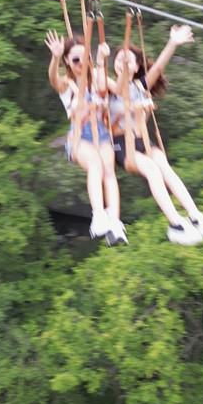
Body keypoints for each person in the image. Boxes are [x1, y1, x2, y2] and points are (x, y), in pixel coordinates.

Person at [105, 24, 203, 245]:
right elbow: (117, 98)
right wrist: (136, 107)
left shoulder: (140, 86)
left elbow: (157, 67)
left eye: (128, 60)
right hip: (122, 144)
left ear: (137, 66)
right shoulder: (109, 86)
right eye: (119, 60)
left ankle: (196, 216)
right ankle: (176, 224)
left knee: (164, 167)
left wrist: (172, 43)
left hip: (142, 140)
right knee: (152, 170)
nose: (123, 63)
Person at [45, 29, 127, 245]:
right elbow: (53, 79)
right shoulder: (67, 84)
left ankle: (114, 222)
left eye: (85, 57)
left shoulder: (99, 77)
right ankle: (98, 215)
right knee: (95, 165)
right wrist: (55, 57)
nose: (81, 63)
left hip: (102, 134)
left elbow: (119, 90)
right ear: (67, 61)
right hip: (80, 137)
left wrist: (118, 69)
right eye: (75, 59)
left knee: (109, 172)